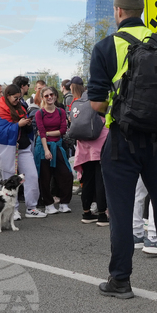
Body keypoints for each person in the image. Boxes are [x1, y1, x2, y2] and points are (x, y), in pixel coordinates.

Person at [90, 0, 157, 297]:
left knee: (120, 212)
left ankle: (120, 279)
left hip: (122, 139)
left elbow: (95, 105)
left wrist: (124, 104)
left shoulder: (106, 47)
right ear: (142, 11)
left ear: (118, 12)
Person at [0, 84, 43, 218]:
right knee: (8, 181)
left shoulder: (20, 107)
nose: (18, 101)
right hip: (7, 149)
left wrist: (27, 125)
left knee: (32, 176)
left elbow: (17, 127)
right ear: (7, 96)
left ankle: (31, 207)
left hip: (23, 147)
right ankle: (12, 211)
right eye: (15, 98)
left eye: (20, 98)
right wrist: (17, 125)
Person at [70, 77, 109, 224]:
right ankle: (102, 215)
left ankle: (86, 213)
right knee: (101, 180)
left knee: (87, 180)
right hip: (100, 142)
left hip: (83, 144)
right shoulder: (101, 99)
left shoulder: (77, 102)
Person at [35, 86, 73, 214]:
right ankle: (48, 204)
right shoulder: (39, 113)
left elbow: (62, 131)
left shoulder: (61, 111)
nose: (49, 97)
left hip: (58, 145)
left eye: (51, 94)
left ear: (55, 96)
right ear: (43, 98)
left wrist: (47, 133)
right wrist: (46, 150)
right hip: (43, 147)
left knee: (66, 174)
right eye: (46, 95)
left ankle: (64, 203)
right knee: (45, 176)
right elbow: (41, 133)